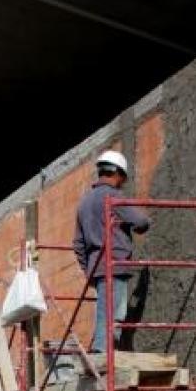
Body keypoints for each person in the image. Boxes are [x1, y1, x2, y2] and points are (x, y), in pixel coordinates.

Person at [73, 148, 150, 353]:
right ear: (117, 173)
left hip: (97, 266)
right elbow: (141, 221)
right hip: (115, 264)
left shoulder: (84, 203)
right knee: (113, 313)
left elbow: (78, 244)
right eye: (122, 178)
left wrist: (89, 268)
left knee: (106, 310)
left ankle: (103, 351)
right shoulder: (113, 197)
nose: (122, 183)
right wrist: (139, 226)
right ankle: (101, 353)